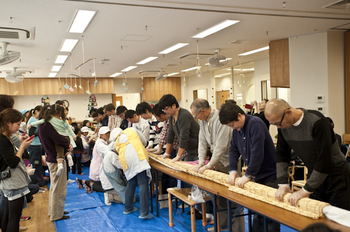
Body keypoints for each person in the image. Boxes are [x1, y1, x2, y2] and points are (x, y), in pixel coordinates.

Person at [264, 99, 350, 210]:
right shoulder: (284, 127)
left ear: (288, 113)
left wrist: (305, 190)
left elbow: (324, 161)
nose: (278, 127)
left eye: (278, 123)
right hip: (314, 175)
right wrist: (283, 183)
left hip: (337, 177)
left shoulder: (317, 122)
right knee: (317, 216)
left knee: (340, 219)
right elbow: (282, 154)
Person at [219, 102, 279, 232]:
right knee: (257, 214)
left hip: (270, 176)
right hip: (257, 176)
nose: (232, 128)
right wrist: (233, 169)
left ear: (240, 116)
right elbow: (233, 149)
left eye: (232, 124)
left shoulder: (255, 124)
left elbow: (258, 152)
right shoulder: (237, 130)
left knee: (270, 217)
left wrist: (248, 175)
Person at [191, 99, 245, 231]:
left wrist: (208, 165)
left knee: (233, 198)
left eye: (196, 115)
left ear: (203, 111)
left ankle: (236, 228)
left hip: (228, 162)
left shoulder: (220, 119)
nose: (195, 118)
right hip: (216, 162)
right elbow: (202, 141)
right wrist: (201, 161)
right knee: (219, 196)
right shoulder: (203, 121)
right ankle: (223, 225)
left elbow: (221, 146)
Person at [0, 108, 34, 232]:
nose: (19, 127)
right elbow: (13, 162)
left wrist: (22, 143)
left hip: (10, 182)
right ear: (8, 123)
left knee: (8, 216)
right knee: (13, 218)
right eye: (18, 124)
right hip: (12, 182)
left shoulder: (6, 137)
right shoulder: (3, 139)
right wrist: (22, 147)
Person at [38, 105, 73, 221]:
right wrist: (68, 145)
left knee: (54, 188)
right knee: (59, 189)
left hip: (51, 158)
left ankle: (55, 211)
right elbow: (58, 139)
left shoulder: (42, 125)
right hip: (55, 158)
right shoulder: (47, 126)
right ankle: (56, 214)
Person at [115, 127, 153, 219]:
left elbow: (116, 149)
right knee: (142, 182)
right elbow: (143, 141)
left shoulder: (118, 139)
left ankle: (128, 208)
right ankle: (144, 212)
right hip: (136, 155)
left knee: (131, 182)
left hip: (125, 159)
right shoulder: (131, 129)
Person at [28, 104, 76, 176]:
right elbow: (58, 139)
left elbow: (68, 130)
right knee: (57, 184)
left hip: (52, 155)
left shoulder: (47, 123)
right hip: (53, 157)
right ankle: (65, 159)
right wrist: (68, 145)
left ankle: (67, 156)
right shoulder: (46, 124)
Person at [159, 94, 199, 162]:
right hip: (188, 150)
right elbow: (170, 134)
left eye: (166, 109)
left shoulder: (184, 116)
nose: (165, 112)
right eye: (163, 110)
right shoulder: (171, 116)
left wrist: (178, 156)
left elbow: (184, 137)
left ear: (174, 105)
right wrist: (167, 153)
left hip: (197, 149)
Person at [26, 105, 45, 186]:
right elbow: (31, 133)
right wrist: (42, 133)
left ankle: (38, 182)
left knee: (38, 165)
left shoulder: (36, 120)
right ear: (36, 111)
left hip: (37, 145)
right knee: (35, 165)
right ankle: (35, 183)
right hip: (34, 145)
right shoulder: (33, 120)